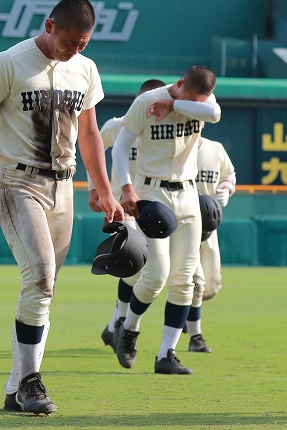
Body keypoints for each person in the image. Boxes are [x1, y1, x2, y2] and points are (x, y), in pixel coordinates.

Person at [0, 0, 124, 414]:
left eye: (83, 43)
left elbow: (90, 134)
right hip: (17, 182)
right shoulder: (8, 61)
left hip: (63, 187)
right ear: (49, 25)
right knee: (42, 277)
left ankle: (16, 389)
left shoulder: (85, 68)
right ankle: (31, 381)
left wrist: (102, 187)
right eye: (69, 41)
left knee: (44, 289)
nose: (75, 50)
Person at [110, 66, 220, 375]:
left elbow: (214, 113)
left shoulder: (194, 103)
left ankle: (165, 355)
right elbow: (119, 146)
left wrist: (175, 105)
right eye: (186, 95)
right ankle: (128, 330)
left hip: (188, 194)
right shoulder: (148, 101)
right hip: (152, 192)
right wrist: (127, 188)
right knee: (157, 275)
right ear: (180, 83)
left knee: (184, 281)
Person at [89, 79, 166, 350]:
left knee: (145, 269)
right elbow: (94, 151)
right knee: (133, 262)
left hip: (152, 204)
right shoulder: (117, 126)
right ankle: (120, 323)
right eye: (146, 99)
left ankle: (115, 325)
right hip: (123, 205)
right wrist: (94, 190)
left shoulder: (162, 133)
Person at [185, 135, 236, 352]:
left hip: (209, 227)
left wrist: (226, 189)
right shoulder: (177, 148)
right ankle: (195, 336)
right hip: (184, 225)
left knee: (211, 286)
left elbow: (229, 175)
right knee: (196, 283)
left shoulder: (216, 149)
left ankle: (186, 313)